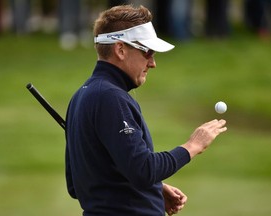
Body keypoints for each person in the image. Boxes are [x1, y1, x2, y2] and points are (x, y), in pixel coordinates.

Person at [65, 4, 227, 216]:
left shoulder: (82, 95)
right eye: (147, 52)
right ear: (121, 50)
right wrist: (192, 146)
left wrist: (154, 188)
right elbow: (143, 170)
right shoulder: (111, 97)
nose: (152, 63)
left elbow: (75, 185)